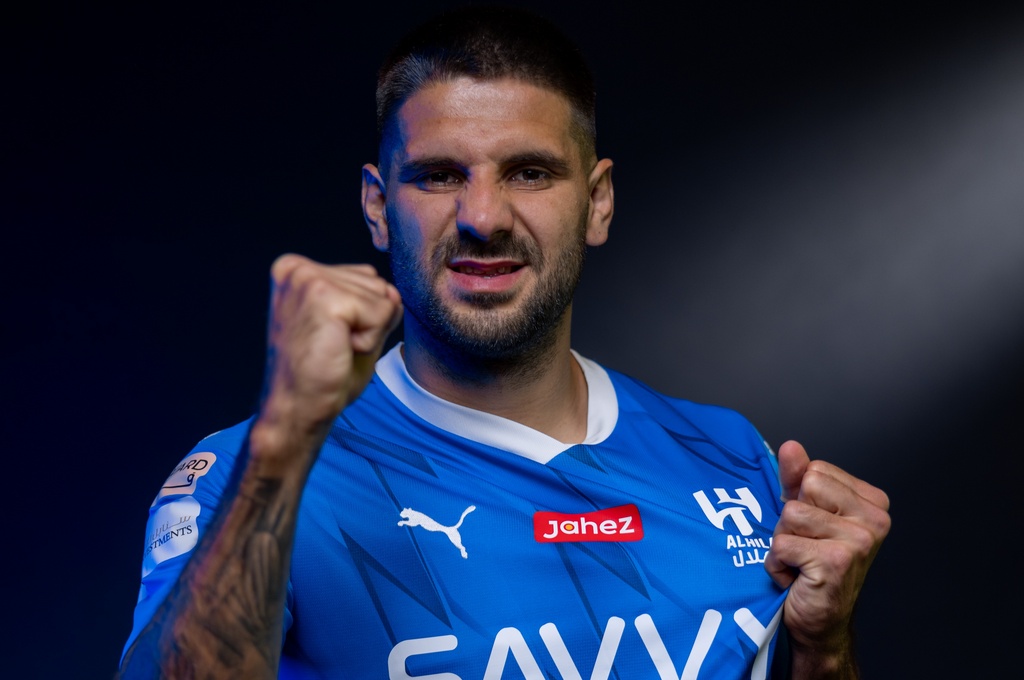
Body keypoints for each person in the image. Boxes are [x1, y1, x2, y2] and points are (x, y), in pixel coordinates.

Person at [117, 5, 890, 679]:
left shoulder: (733, 459)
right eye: (439, 175)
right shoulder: (249, 479)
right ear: (378, 208)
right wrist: (282, 448)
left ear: (597, 202)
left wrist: (824, 652)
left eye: (529, 173)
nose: (483, 217)